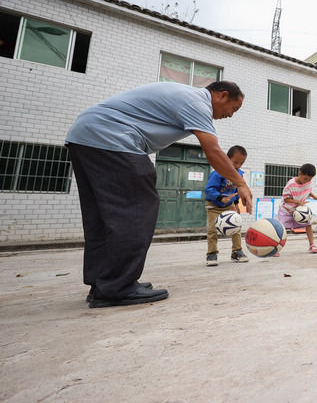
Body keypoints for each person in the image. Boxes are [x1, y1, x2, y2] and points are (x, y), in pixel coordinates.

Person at [65, 81, 251, 308]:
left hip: (85, 136)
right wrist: (240, 183)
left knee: (102, 216)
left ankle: (103, 284)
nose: (230, 115)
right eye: (234, 109)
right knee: (137, 209)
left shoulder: (185, 96)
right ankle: (117, 287)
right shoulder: (199, 103)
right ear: (222, 95)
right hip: (113, 139)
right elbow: (212, 151)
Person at [204, 145, 249, 266]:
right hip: (214, 205)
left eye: (241, 163)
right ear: (227, 159)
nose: (238, 166)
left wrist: (236, 204)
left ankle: (237, 251)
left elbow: (237, 191)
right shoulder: (218, 173)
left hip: (229, 206)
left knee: (236, 228)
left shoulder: (239, 174)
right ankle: (211, 253)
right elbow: (209, 189)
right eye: (235, 162)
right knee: (213, 230)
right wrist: (220, 197)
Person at [278, 163, 317, 254]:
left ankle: (312, 245)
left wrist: (315, 197)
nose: (307, 181)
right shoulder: (291, 184)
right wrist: (298, 202)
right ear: (300, 174)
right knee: (281, 229)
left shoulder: (308, 182)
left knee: (308, 225)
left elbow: (308, 190)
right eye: (305, 179)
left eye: (309, 179)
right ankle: (276, 248)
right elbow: (286, 199)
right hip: (286, 210)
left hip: (300, 210)